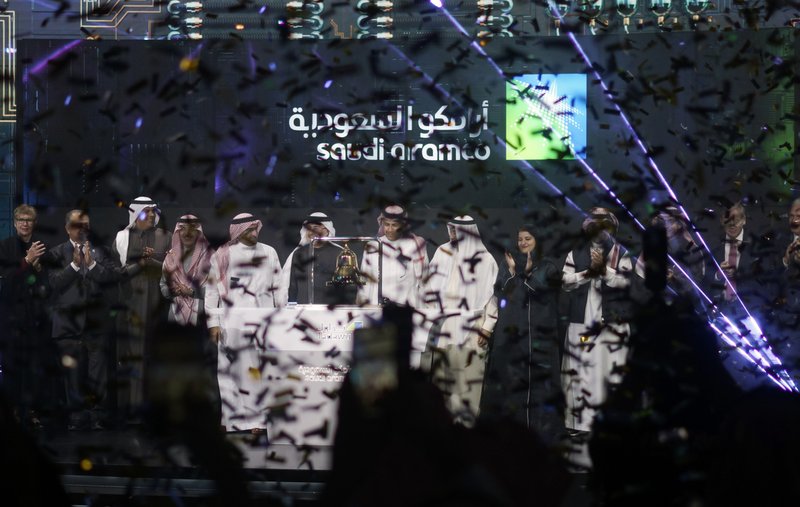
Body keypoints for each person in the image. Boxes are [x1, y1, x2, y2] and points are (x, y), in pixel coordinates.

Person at [481, 225, 563, 442]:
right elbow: (501, 293)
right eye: (520, 239)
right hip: (512, 335)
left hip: (539, 339)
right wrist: (511, 273)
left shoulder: (549, 265)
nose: (523, 242)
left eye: (528, 238)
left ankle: (541, 433)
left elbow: (539, 292)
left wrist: (525, 274)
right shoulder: (508, 263)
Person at [205, 213, 283, 432]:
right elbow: (212, 292)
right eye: (249, 230)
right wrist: (213, 323)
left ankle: (258, 420)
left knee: (257, 372)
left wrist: (281, 318)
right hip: (231, 322)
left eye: (255, 228)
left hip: (263, 321)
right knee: (228, 373)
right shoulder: (222, 255)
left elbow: (279, 288)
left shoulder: (269, 252)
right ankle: (230, 420)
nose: (254, 233)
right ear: (238, 232)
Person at [561, 207, 633, 434]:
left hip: (612, 324)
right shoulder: (575, 253)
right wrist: (588, 273)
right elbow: (565, 281)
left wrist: (604, 271)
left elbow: (627, 283)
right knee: (580, 374)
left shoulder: (621, 253)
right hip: (581, 323)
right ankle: (579, 425)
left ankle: (609, 425)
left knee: (609, 375)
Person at [423, 215, 498, 427]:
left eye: (457, 230)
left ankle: (467, 429)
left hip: (472, 329)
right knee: (442, 380)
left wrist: (487, 327)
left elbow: (491, 297)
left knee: (468, 381)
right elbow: (429, 289)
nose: (453, 234)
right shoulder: (442, 252)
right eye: (451, 230)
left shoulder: (485, 259)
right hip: (444, 327)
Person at [47, 210, 119, 430]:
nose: (83, 229)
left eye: (86, 225)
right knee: (73, 375)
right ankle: (77, 417)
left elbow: (113, 277)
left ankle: (97, 415)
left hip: (96, 324)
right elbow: (54, 282)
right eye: (78, 225)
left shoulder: (102, 251)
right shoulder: (56, 253)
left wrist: (93, 265)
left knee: (98, 374)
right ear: (68, 228)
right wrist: (75, 266)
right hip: (69, 325)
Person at [111, 196, 170, 420]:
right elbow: (114, 273)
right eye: (147, 212)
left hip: (157, 308)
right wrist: (140, 264)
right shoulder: (122, 238)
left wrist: (154, 263)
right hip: (129, 308)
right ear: (136, 214)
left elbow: (174, 270)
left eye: (154, 212)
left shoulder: (166, 237)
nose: (153, 216)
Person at [0, 204, 50, 429]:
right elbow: (8, 283)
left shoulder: (41, 247)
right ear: (14, 222)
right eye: (21, 219)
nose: (24, 223)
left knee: (32, 366)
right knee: (12, 366)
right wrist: (27, 262)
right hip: (11, 318)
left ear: (34, 223)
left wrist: (39, 271)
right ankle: (12, 411)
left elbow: (47, 286)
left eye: (28, 219)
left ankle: (30, 410)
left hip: (34, 318)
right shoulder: (5, 247)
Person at [357, 204, 428, 307]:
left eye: (394, 225)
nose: (389, 229)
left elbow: (425, 280)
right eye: (386, 224)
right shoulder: (373, 245)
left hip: (406, 309)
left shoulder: (415, 246)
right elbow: (364, 280)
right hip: (377, 309)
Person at [286, 212, 355, 305]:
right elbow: (293, 287)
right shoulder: (299, 253)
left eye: (315, 228)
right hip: (303, 311)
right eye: (309, 229)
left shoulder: (341, 253)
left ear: (327, 230)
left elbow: (349, 289)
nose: (312, 232)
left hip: (332, 312)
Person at [160, 214, 213, 326]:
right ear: (178, 232)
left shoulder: (210, 257)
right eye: (183, 229)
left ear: (198, 232)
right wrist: (171, 291)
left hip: (201, 314)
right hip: (174, 313)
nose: (187, 233)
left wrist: (192, 292)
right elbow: (163, 285)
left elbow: (216, 291)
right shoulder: (170, 257)